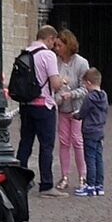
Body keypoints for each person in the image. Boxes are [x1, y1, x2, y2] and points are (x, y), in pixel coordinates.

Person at [17, 26, 62, 192]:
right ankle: (46, 184)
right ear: (49, 38)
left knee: (25, 143)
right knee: (46, 146)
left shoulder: (25, 53)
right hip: (44, 105)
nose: (53, 46)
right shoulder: (47, 55)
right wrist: (62, 81)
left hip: (26, 104)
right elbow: (55, 83)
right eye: (53, 42)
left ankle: (19, 181)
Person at [52, 30, 90, 194]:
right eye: (56, 45)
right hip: (61, 107)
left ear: (68, 45)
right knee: (63, 142)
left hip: (76, 109)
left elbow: (85, 88)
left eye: (60, 45)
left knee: (77, 141)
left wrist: (71, 94)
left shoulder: (81, 63)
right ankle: (64, 176)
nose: (57, 49)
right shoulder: (56, 62)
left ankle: (83, 176)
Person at [77, 67, 110, 196]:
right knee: (99, 158)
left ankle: (90, 185)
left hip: (89, 131)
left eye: (85, 84)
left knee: (89, 158)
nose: (84, 86)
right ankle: (99, 185)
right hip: (100, 130)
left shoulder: (89, 98)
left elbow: (82, 113)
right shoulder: (104, 96)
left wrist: (75, 115)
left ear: (89, 83)